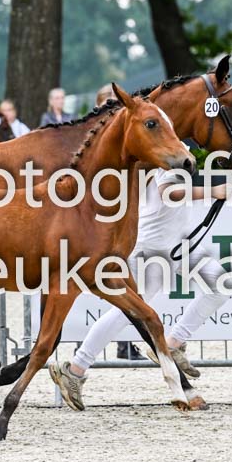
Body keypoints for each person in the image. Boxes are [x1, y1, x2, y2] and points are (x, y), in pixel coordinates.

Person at [49, 158, 231, 411]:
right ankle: (75, 369)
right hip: (153, 248)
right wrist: (214, 191)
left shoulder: (178, 149)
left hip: (180, 244)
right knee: (128, 312)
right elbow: (168, 192)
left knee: (222, 284)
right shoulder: (169, 152)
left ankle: (173, 344)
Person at [94, 84, 145, 361]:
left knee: (127, 291)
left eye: (116, 103)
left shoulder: (129, 139)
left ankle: (126, 344)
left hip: (122, 228)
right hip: (96, 231)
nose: (113, 108)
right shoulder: (94, 144)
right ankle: (83, 352)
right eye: (108, 103)